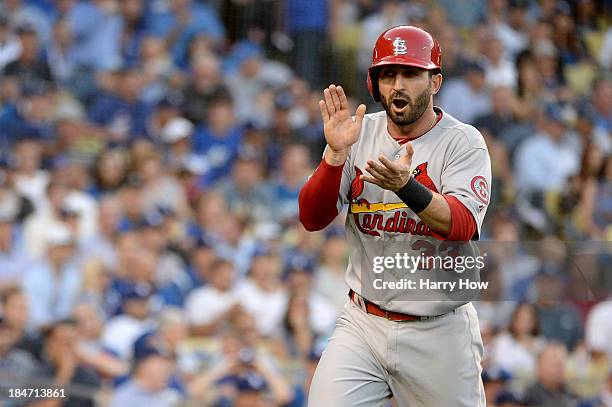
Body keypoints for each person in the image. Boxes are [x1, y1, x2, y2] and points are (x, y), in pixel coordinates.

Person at [299, 25, 492, 406]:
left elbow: (461, 226)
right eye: (388, 74)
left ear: (434, 82)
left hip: (437, 328)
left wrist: (408, 187)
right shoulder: (357, 133)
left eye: (411, 73)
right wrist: (335, 156)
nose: (398, 84)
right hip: (363, 323)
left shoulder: (462, 141)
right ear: (374, 84)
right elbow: (311, 217)